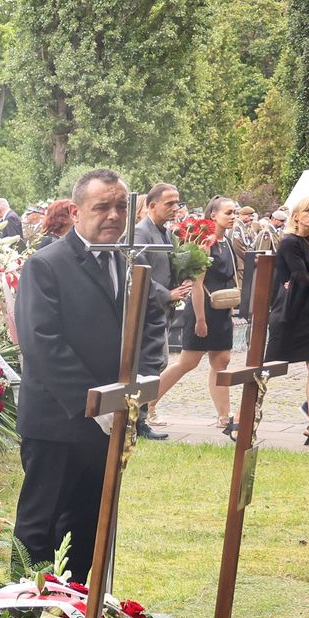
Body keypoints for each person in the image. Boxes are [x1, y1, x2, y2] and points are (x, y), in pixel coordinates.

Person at [12, 169, 168, 579]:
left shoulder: (127, 261)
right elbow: (42, 342)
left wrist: (144, 379)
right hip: (58, 420)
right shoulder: (45, 266)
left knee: (90, 526)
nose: (113, 215)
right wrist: (94, 403)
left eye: (120, 206)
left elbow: (152, 319)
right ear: (76, 211)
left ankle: (81, 615)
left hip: (113, 417)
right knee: (41, 528)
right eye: (102, 207)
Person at [155, 195, 240, 436]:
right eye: (228, 213)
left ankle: (224, 416)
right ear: (213, 216)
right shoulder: (206, 242)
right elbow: (196, 284)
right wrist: (201, 320)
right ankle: (147, 404)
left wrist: (231, 309)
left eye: (234, 213)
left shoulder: (227, 243)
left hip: (221, 308)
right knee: (187, 363)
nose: (233, 217)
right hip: (202, 308)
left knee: (221, 361)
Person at [265, 194, 309, 446]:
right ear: (296, 215)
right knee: (265, 371)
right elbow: (300, 278)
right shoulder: (289, 242)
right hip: (290, 316)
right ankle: (243, 414)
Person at [132, 182, 179, 440]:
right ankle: (137, 421)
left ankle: (140, 418)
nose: (175, 208)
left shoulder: (166, 233)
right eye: (169, 203)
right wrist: (167, 294)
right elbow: (140, 275)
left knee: (157, 364)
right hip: (146, 312)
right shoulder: (141, 233)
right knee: (148, 366)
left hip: (163, 310)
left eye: (177, 203)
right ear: (152, 206)